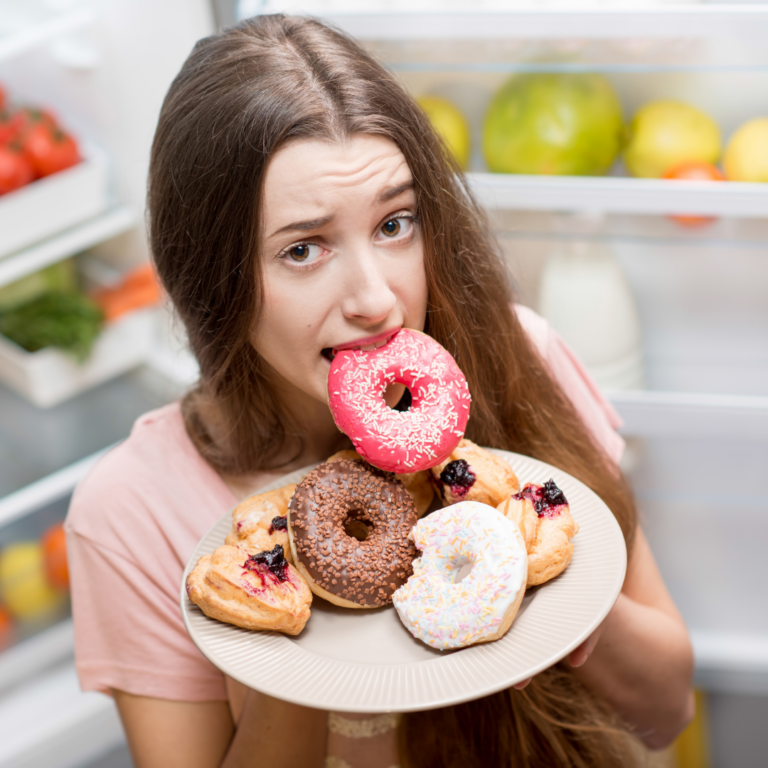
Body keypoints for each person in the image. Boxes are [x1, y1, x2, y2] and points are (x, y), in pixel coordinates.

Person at [65, 14, 694, 768]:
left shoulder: (521, 354)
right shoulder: (134, 510)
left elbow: (666, 711)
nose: (377, 298)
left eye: (395, 223)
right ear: (211, 280)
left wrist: (524, 574)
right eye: (304, 248)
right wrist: (289, 617)